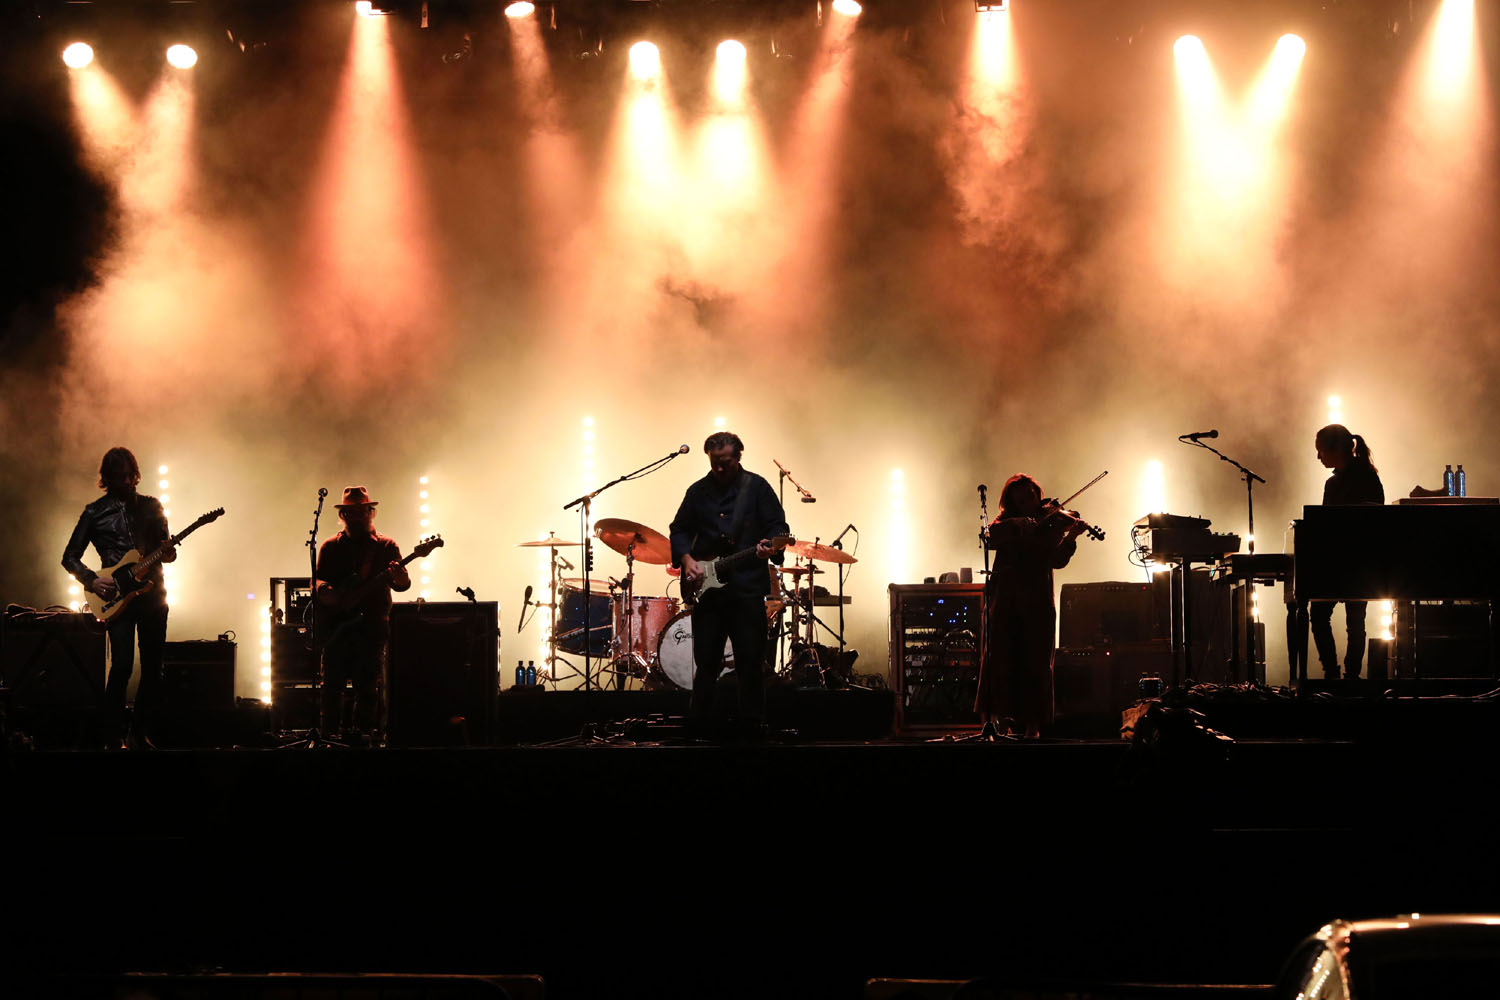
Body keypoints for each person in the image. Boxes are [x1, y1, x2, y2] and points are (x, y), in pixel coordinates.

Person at [669, 432, 789, 736]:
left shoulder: (757, 487)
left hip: (747, 588)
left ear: (738, 457)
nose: (720, 468)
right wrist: (687, 561)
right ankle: (698, 729)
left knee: (750, 663)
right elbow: (679, 529)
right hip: (708, 595)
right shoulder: (697, 492)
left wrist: (770, 545)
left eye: (726, 462)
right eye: (714, 462)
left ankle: (752, 727)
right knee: (706, 664)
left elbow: (778, 526)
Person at [62, 446, 175, 748]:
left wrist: (169, 551)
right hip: (117, 597)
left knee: (154, 669)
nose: (128, 482)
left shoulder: (152, 506)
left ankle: (137, 734)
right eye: (120, 477)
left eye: (131, 476)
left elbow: (167, 551)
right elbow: (69, 557)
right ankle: (111, 736)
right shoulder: (94, 512)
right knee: (122, 665)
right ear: (107, 478)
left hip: (153, 595)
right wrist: (92, 580)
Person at [975, 474, 1086, 739]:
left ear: (1038, 494)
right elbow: (991, 535)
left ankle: (1033, 728)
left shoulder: (1052, 523)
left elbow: (1058, 561)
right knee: (1001, 659)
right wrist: (1017, 522)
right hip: (1005, 600)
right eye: (1021, 499)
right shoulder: (1006, 523)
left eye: (1031, 497)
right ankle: (1001, 722)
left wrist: (1071, 536)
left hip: (1037, 601)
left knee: (1036, 662)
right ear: (1012, 502)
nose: (1028, 502)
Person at [314, 486, 410, 741]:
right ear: (343, 515)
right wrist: (325, 590)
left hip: (371, 629)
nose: (357, 517)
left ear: (371, 512)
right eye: (351, 512)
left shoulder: (387, 546)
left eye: (362, 511)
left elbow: (401, 585)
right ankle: (329, 738)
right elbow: (317, 580)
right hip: (337, 628)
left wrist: (401, 578)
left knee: (367, 688)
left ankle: (363, 738)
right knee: (331, 688)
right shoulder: (330, 547)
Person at [1310, 424, 1385, 679]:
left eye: (1320, 450)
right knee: (1355, 621)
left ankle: (1333, 673)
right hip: (1358, 563)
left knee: (1322, 615)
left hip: (1347, 562)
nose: (1318, 457)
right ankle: (1350, 676)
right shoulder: (1366, 477)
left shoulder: (1344, 482)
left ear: (1334, 449)